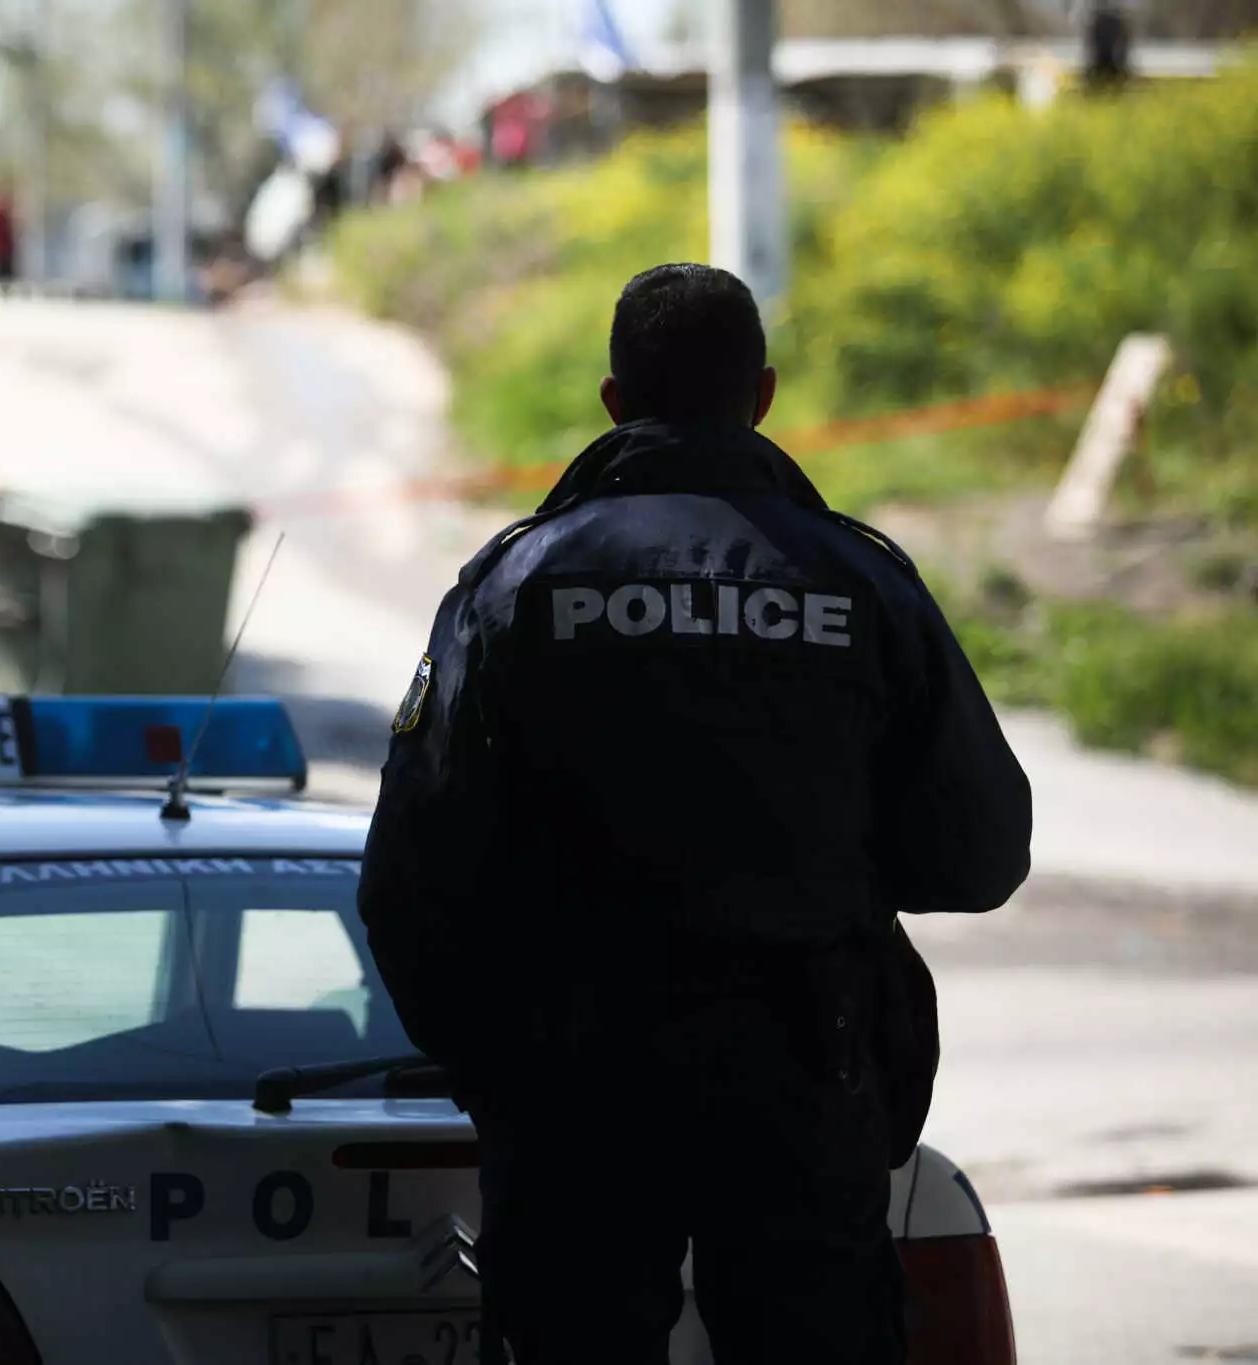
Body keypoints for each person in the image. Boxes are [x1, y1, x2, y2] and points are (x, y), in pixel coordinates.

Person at [359, 263, 1032, 1364]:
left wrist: (503, 1071)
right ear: (761, 395)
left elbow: (408, 880)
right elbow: (979, 856)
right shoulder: (862, 585)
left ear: (612, 402)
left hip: (575, 1088)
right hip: (805, 1082)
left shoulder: (517, 585)